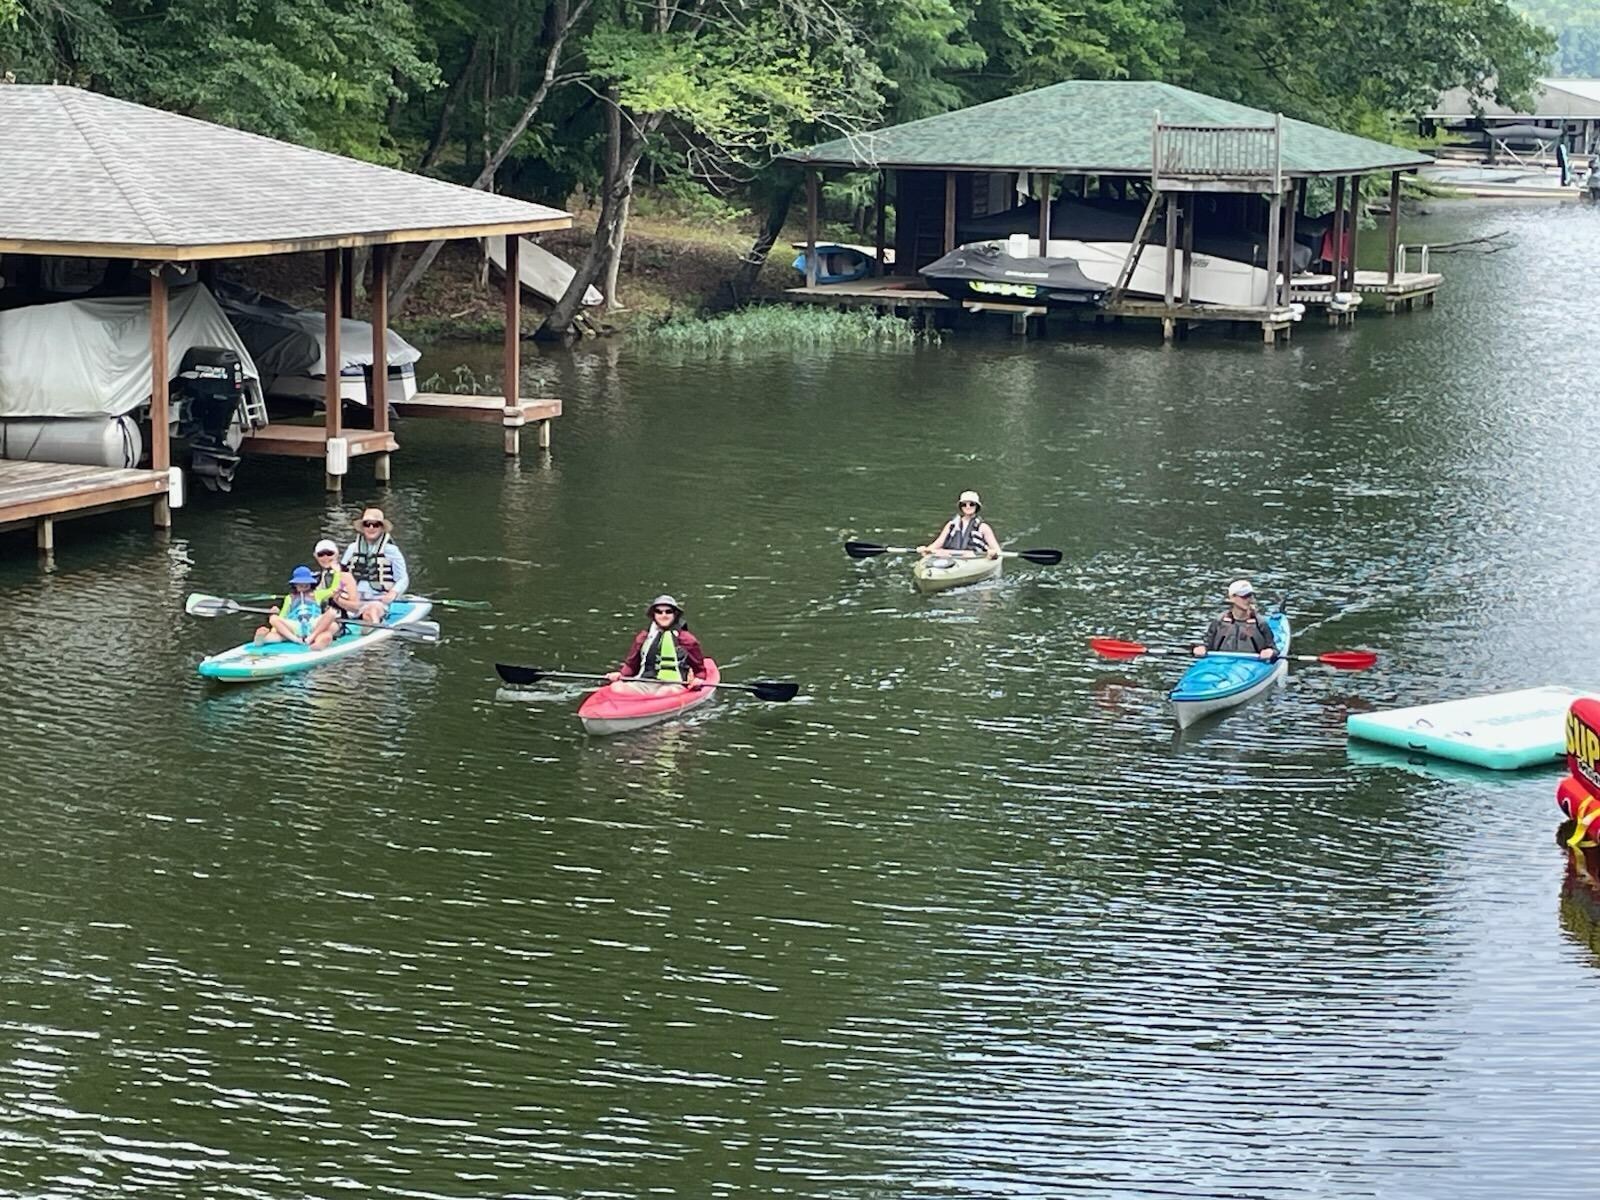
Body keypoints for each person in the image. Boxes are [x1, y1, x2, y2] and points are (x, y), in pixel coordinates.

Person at [606, 595, 707, 693]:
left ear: (675, 614)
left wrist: (698, 680)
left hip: (674, 685)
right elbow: (631, 666)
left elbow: (699, 670)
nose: (664, 615)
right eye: (659, 612)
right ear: (654, 615)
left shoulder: (687, 640)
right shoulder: (643, 637)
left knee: (665, 692)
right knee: (617, 687)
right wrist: (621, 675)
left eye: (668, 611)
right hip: (645, 683)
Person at [342, 507, 409, 630]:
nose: (371, 528)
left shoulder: (391, 550)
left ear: (381, 528)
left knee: (370, 612)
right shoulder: (352, 548)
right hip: (353, 598)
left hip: (378, 599)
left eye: (376, 525)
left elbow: (402, 578)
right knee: (332, 610)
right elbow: (342, 574)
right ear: (363, 528)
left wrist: (393, 593)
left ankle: (373, 628)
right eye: (367, 524)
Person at [1192, 580, 1277, 660]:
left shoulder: (1260, 623)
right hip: (1221, 663)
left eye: (1250, 596)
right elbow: (1207, 644)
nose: (1249, 600)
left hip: (1252, 664)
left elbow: (1273, 649)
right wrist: (1201, 649)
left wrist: (1270, 652)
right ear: (1232, 597)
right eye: (1244, 596)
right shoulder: (1219, 621)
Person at [254, 566, 336, 648]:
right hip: (295, 626)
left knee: (332, 615)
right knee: (273, 618)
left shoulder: (318, 594)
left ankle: (315, 640)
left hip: (314, 624)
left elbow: (334, 590)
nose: (303, 585)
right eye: (300, 583)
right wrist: (275, 629)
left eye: (306, 583)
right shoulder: (289, 598)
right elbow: (283, 615)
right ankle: (264, 639)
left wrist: (337, 571)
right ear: (295, 584)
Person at [919, 490, 1002, 559]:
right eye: (964, 504)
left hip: (973, 558)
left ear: (976, 506)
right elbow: (937, 544)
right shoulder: (951, 525)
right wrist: (926, 549)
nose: (968, 507)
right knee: (939, 552)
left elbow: (997, 551)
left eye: (971, 504)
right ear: (961, 507)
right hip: (950, 557)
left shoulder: (983, 527)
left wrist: (993, 553)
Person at [308, 537, 360, 643]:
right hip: (318, 618)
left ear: (336, 554)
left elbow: (355, 608)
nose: (325, 557)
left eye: (329, 553)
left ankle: (315, 642)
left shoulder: (346, 577)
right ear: (315, 556)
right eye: (321, 554)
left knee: (328, 629)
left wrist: (337, 600)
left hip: (339, 619)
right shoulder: (314, 578)